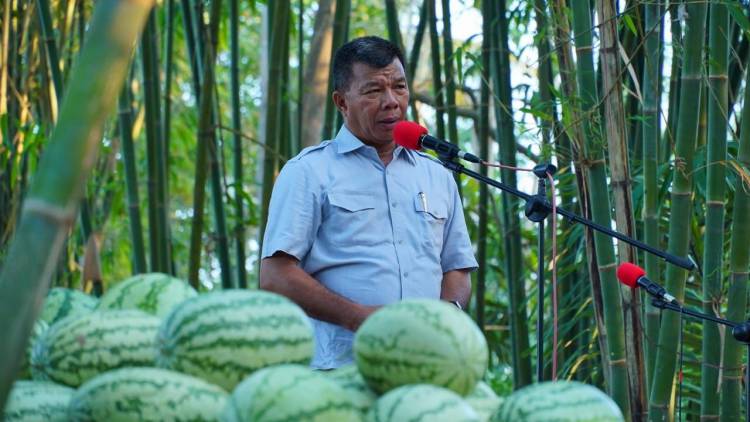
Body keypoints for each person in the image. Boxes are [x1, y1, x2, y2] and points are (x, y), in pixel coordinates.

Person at [259, 36, 477, 369]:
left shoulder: (437, 175)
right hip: (342, 368)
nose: (391, 101)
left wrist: (448, 316)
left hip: (427, 367)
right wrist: (361, 320)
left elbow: (457, 267)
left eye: (399, 87)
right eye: (374, 90)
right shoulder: (308, 172)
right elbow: (276, 276)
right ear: (341, 102)